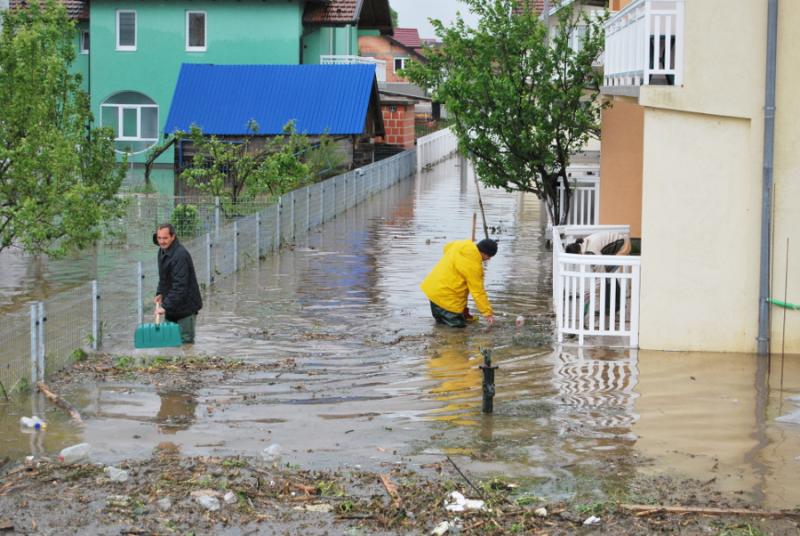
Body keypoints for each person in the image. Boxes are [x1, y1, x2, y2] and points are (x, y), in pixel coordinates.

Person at [420, 238, 497, 328]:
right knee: (458, 333)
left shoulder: (460, 245)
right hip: (447, 300)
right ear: (485, 254)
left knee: (442, 326)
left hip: (433, 293)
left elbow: (446, 248)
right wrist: (488, 313)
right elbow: (478, 292)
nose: (488, 259)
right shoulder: (474, 266)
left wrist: (463, 309)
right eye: (489, 257)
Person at [153, 223, 203, 344]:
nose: (162, 241)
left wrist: (164, 306)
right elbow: (164, 277)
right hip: (172, 306)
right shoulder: (162, 252)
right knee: (169, 342)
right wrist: (160, 292)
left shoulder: (180, 255)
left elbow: (180, 287)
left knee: (186, 344)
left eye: (165, 238)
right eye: (159, 238)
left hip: (186, 309)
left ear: (173, 237)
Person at [564, 231, 631, 256]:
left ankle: (616, 288)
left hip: (624, 245)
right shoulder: (584, 242)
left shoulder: (591, 251)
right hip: (622, 239)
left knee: (606, 273)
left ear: (578, 253)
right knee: (607, 273)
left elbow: (600, 267)